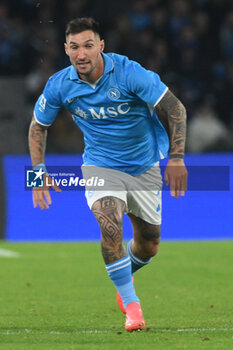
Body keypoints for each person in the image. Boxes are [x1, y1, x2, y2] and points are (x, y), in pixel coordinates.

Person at [28, 17, 188, 332]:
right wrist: (38, 174)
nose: (81, 54)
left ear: (101, 46)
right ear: (66, 49)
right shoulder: (60, 84)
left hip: (144, 167)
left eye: (88, 45)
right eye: (74, 47)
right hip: (100, 166)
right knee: (109, 223)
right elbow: (38, 126)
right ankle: (132, 307)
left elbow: (175, 108)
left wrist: (177, 158)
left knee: (149, 244)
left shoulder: (130, 74)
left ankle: (124, 278)